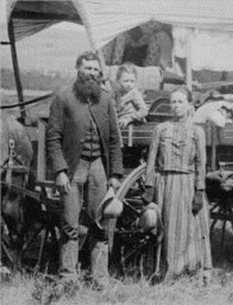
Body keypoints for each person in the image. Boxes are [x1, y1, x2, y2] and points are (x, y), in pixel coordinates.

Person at [47, 51, 123, 288]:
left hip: (99, 167)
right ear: (77, 69)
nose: (92, 74)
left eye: (95, 70)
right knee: (70, 223)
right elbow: (53, 138)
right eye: (87, 68)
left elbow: (113, 140)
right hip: (73, 168)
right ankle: (68, 277)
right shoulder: (63, 97)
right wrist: (60, 170)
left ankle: (100, 278)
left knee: (100, 223)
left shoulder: (106, 99)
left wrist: (115, 175)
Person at [141, 87, 212, 283]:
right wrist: (149, 187)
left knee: (190, 228)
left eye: (181, 102)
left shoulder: (197, 131)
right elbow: (151, 161)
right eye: (173, 102)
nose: (176, 106)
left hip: (188, 184)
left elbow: (200, 164)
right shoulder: (160, 129)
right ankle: (166, 272)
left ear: (190, 105)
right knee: (168, 229)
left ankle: (191, 271)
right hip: (166, 184)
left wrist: (200, 190)